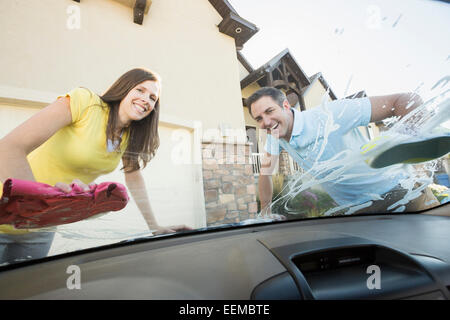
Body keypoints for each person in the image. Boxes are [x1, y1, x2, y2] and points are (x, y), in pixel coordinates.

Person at [0, 68, 191, 264]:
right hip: (5, 213)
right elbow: (8, 148)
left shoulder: (127, 136)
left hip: (40, 229)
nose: (146, 100)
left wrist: (155, 226)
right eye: (140, 90)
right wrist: (39, 206)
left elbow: (134, 178)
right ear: (124, 88)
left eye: (153, 98)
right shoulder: (85, 103)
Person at [246, 87, 438, 216]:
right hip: (356, 211)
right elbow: (265, 173)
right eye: (259, 118)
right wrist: (265, 212)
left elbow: (405, 100)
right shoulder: (274, 136)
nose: (266, 122)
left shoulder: (331, 113)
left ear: (286, 106)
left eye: (270, 111)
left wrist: (414, 142)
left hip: (402, 192)